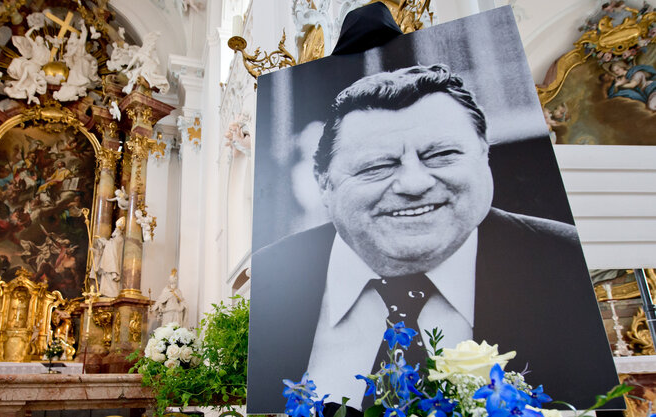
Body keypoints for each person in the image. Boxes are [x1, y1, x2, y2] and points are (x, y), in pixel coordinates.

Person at [247, 64, 617, 415]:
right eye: (377, 166)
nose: (414, 184)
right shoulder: (272, 278)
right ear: (323, 182)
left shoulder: (567, 262)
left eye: (442, 155)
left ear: (484, 156)